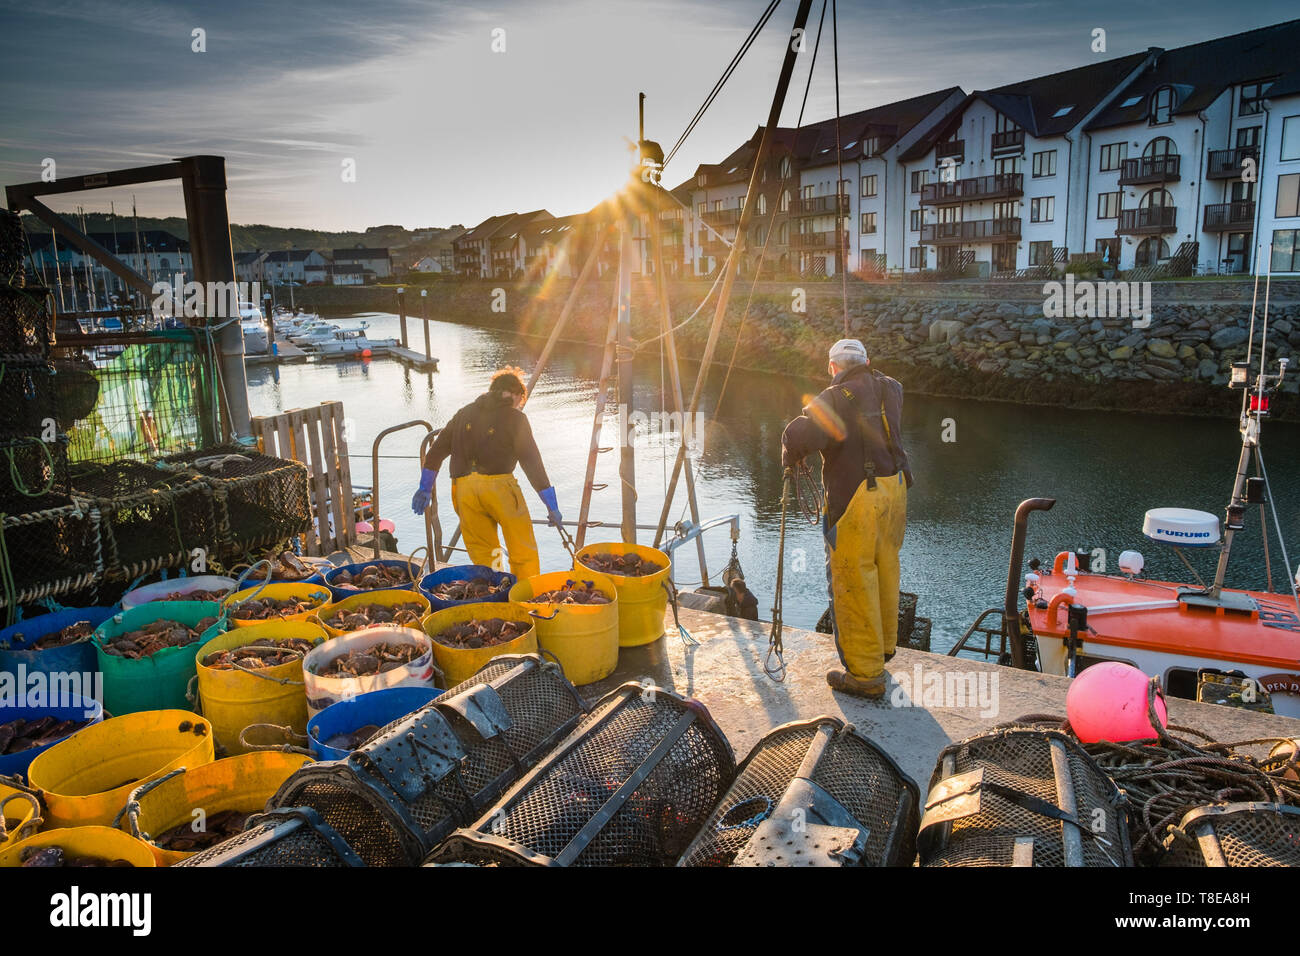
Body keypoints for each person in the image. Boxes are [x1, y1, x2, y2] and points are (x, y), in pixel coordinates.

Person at [781, 339, 912, 699]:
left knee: (853, 580)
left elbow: (804, 432)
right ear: (868, 362)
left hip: (858, 498)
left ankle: (865, 676)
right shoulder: (892, 389)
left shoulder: (835, 397)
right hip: (895, 489)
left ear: (832, 367)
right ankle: (882, 650)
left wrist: (789, 449)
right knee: (884, 570)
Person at [412, 367, 561, 579]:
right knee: (522, 548)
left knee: (484, 553)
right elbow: (531, 461)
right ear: (515, 394)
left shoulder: (464, 413)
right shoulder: (515, 418)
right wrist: (550, 503)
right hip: (499, 488)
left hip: (464, 490)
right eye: (521, 400)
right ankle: (525, 597)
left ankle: (494, 595)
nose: (520, 405)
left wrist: (424, 488)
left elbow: (436, 452)